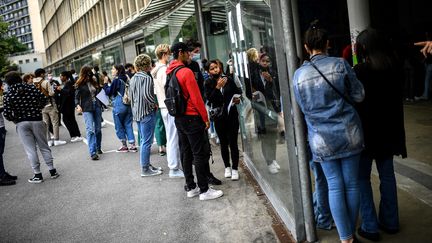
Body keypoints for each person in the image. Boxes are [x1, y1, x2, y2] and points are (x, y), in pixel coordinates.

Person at [293, 23, 364, 243]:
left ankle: (345, 238)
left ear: (306, 47)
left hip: (321, 140)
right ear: (327, 44)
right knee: (352, 184)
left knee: (334, 184)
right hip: (349, 133)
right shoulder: (340, 65)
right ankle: (350, 231)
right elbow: (359, 95)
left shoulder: (299, 75)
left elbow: (303, 110)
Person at [354, 28, 407, 241]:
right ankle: (391, 221)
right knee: (387, 176)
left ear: (363, 48)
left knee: (361, 179)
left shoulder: (359, 71)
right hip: (388, 133)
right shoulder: (394, 68)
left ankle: (370, 226)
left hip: (365, 136)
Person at [168, 42, 223, 200]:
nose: (190, 55)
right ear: (181, 53)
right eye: (187, 53)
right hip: (192, 116)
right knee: (199, 154)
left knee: (186, 153)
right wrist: (205, 118)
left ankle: (191, 187)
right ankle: (204, 190)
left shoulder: (170, 71)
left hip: (179, 117)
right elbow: (197, 97)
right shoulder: (185, 72)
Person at [3, 71, 60, 183]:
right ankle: (52, 171)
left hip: (21, 123)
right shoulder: (31, 88)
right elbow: (44, 99)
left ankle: (38, 175)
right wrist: (37, 108)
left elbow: (7, 113)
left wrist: (14, 119)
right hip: (37, 119)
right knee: (43, 146)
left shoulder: (8, 94)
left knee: (30, 149)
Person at [204, 60, 242, 180]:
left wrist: (237, 99)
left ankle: (235, 168)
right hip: (219, 117)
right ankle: (227, 167)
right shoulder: (208, 82)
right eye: (212, 68)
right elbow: (210, 99)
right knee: (224, 143)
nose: (215, 70)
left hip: (231, 115)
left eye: (216, 67)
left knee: (233, 143)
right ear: (208, 71)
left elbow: (238, 92)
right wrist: (217, 87)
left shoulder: (228, 79)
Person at [151, 44, 184, 178]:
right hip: (169, 105)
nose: (170, 56)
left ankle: (174, 167)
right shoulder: (163, 70)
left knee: (171, 137)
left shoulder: (156, 70)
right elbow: (169, 88)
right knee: (172, 138)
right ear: (164, 54)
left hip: (163, 105)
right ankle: (174, 168)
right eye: (169, 54)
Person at [129, 54, 162, 177]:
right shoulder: (147, 78)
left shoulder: (133, 78)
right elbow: (147, 96)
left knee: (144, 140)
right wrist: (154, 104)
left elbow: (130, 97)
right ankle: (145, 168)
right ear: (147, 65)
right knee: (147, 142)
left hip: (137, 112)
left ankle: (147, 165)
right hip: (147, 112)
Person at [103, 64, 136, 152]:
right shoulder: (127, 78)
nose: (112, 70)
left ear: (117, 70)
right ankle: (132, 145)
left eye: (113, 69)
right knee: (128, 124)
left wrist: (105, 84)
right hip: (128, 104)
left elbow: (109, 92)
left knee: (119, 126)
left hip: (119, 104)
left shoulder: (117, 80)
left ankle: (124, 145)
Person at [75, 66, 103, 160]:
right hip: (87, 108)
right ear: (84, 73)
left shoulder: (93, 81)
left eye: (90, 73)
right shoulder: (80, 83)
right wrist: (78, 105)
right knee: (90, 130)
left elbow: (99, 93)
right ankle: (93, 152)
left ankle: (98, 147)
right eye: (88, 73)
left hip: (97, 106)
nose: (90, 74)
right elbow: (76, 97)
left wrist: (105, 103)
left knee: (98, 129)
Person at [33, 68, 66, 147]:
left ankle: (48, 141)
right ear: (41, 74)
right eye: (44, 73)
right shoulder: (45, 82)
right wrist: (53, 91)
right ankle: (56, 140)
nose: (44, 75)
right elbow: (51, 94)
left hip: (41, 106)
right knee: (55, 122)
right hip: (50, 104)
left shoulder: (33, 83)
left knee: (45, 124)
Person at [0, 79, 17, 186]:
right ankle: (1, 176)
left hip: (1, 126)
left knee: (0, 152)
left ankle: (2, 173)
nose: (2, 87)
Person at [57, 71, 83, 143]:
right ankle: (77, 135)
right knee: (71, 120)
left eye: (61, 76)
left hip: (68, 106)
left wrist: (61, 90)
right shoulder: (68, 83)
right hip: (68, 105)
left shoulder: (69, 83)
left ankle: (74, 135)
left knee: (68, 121)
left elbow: (69, 93)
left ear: (65, 77)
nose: (60, 77)